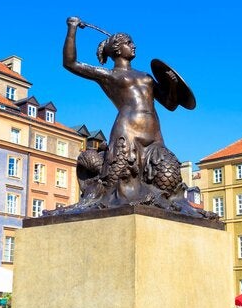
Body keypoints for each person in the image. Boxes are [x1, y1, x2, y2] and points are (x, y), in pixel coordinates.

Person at [56, 16, 209, 217]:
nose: (134, 46)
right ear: (118, 49)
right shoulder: (109, 75)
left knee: (169, 176)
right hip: (127, 133)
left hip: (154, 136)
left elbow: (170, 104)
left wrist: (171, 84)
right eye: (129, 43)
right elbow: (70, 63)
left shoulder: (146, 76)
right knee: (118, 184)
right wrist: (72, 28)